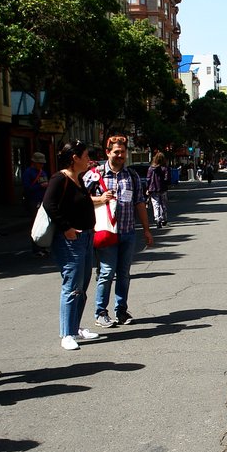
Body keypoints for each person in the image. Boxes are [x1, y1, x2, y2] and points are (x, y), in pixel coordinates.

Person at [44, 141, 109, 351]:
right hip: (70, 240)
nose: (89, 160)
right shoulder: (59, 178)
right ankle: (67, 334)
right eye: (86, 155)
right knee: (71, 286)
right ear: (75, 157)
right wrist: (66, 228)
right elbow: (49, 204)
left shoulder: (78, 179)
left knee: (81, 286)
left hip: (87, 237)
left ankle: (76, 326)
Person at [83, 136, 154, 328]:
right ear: (107, 152)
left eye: (123, 152)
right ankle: (101, 312)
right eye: (116, 152)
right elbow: (79, 198)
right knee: (106, 272)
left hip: (127, 231)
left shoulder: (131, 176)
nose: (120, 155)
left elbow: (139, 203)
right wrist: (100, 199)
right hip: (106, 231)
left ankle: (121, 310)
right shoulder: (95, 174)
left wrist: (147, 229)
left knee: (124, 273)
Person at [22, 151, 50, 257]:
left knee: (45, 224)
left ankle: (43, 246)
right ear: (34, 162)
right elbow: (27, 188)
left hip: (43, 200)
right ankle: (36, 248)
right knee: (36, 224)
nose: (41, 165)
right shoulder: (28, 173)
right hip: (33, 201)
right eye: (40, 163)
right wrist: (40, 186)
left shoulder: (43, 172)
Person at [147, 151, 171, 228]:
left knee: (155, 204)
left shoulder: (151, 168)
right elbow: (167, 179)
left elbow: (148, 179)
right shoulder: (165, 168)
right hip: (163, 188)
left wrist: (148, 188)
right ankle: (164, 219)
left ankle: (157, 220)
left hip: (153, 188)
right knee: (163, 204)